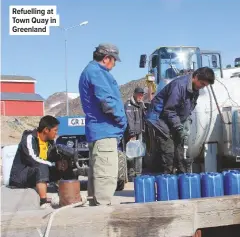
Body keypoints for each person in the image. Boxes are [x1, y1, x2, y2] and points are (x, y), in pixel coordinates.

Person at [78, 43, 127, 206]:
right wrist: (122, 119)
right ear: (107, 58)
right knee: (105, 181)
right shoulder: (97, 73)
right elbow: (107, 101)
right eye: (114, 61)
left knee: (97, 181)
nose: (114, 65)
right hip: (105, 133)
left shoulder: (90, 71)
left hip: (98, 132)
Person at [146, 67, 215, 174]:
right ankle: (168, 178)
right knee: (169, 151)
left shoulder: (195, 89)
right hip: (159, 118)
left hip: (172, 119)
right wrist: (178, 126)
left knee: (179, 148)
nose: (202, 87)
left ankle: (181, 175)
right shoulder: (179, 86)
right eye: (202, 83)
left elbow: (189, 107)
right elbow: (169, 109)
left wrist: (186, 121)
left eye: (205, 85)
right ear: (195, 77)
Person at [9, 115, 72, 207]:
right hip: (21, 176)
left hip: (38, 173)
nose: (56, 133)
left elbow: (54, 157)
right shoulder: (29, 138)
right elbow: (33, 159)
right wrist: (54, 164)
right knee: (41, 166)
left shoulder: (50, 142)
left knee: (65, 164)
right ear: (46, 130)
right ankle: (43, 201)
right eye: (55, 130)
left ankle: (69, 194)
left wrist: (61, 162)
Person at [124, 87, 146, 178]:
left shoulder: (141, 104)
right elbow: (130, 120)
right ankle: (131, 172)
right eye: (139, 94)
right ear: (134, 94)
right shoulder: (129, 104)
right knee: (131, 154)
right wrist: (132, 134)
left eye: (142, 95)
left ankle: (138, 173)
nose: (140, 96)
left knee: (139, 153)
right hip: (132, 133)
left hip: (139, 132)